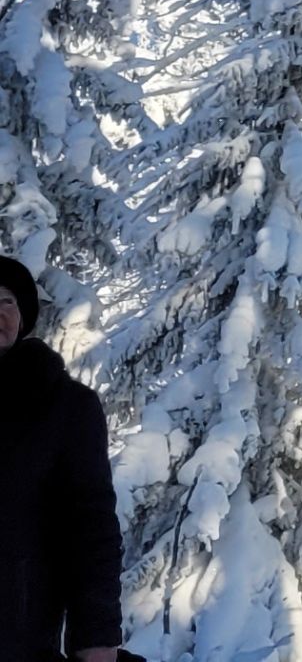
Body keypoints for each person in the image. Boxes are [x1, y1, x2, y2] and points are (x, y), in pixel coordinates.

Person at [0, 258, 118, 662]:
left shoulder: (66, 407)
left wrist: (96, 636)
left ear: (24, 314)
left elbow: (91, 527)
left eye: (6, 301)